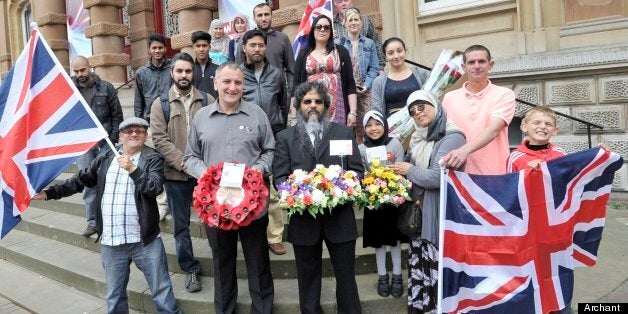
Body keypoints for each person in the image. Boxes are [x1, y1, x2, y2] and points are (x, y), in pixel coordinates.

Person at [32, 117, 180, 314]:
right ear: (120, 136)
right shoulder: (106, 156)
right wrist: (49, 193)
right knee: (114, 296)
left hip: (144, 240)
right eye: (129, 131)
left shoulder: (152, 158)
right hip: (112, 241)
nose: (134, 134)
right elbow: (80, 180)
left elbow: (153, 187)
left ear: (145, 136)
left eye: (140, 131)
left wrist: (133, 169)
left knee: (162, 292)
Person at [184, 62, 275, 314]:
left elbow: (270, 150)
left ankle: (263, 309)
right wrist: (207, 176)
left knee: (258, 263)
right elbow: (190, 157)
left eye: (237, 82)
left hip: (253, 207)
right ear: (215, 83)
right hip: (216, 208)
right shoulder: (201, 117)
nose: (232, 87)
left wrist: (258, 170)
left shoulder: (257, 114)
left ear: (243, 85)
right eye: (226, 82)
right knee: (222, 264)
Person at [273, 82, 363, 314]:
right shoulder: (285, 138)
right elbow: (280, 177)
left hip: (339, 217)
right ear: (298, 106)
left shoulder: (343, 132)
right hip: (304, 219)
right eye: (307, 101)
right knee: (307, 277)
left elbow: (358, 171)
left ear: (326, 106)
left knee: (346, 275)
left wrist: (343, 188)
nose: (313, 106)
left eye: (318, 102)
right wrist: (296, 192)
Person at [388, 90, 465, 314]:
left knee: (437, 267)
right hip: (420, 214)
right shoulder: (418, 137)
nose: (417, 112)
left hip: (440, 213)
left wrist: (409, 170)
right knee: (420, 263)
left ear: (435, 106)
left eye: (421, 106)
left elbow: (437, 177)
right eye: (412, 111)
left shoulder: (452, 137)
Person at [150, 52, 214, 293]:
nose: (184, 75)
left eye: (188, 71)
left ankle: (220, 259)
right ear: (172, 73)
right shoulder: (161, 104)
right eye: (180, 71)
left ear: (193, 73)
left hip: (205, 175)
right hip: (176, 175)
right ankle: (190, 269)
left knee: (213, 220)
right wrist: (184, 163)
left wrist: (200, 167)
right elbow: (159, 139)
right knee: (181, 226)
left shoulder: (207, 100)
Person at [240, 29, 289, 255]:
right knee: (249, 183)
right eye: (253, 45)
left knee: (273, 189)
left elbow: (284, 104)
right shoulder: (238, 74)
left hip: (275, 132)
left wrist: (278, 125)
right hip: (247, 135)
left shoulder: (276, 74)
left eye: (261, 45)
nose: (257, 49)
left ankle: (274, 235)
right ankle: (251, 233)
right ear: (244, 48)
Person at [440, 44, 516, 175]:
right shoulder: (449, 97)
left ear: (490, 64)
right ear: (464, 67)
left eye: (481, 61)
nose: (476, 66)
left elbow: (494, 129)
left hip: (495, 174)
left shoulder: (504, 94)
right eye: (471, 62)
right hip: (458, 174)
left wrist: (464, 150)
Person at [71, 56, 124, 237]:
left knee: (109, 182)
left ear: (90, 67)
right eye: (76, 71)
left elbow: (117, 116)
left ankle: (110, 220)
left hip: (105, 144)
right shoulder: (70, 90)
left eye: (82, 70)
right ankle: (92, 222)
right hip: (83, 145)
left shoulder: (106, 87)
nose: (80, 75)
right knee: (88, 183)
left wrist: (113, 139)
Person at [357, 110, 407, 298]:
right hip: (373, 201)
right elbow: (361, 172)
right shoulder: (362, 148)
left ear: (384, 125)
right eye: (369, 125)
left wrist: (392, 182)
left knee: (393, 240)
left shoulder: (394, 144)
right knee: (379, 241)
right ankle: (382, 277)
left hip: (393, 200)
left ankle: (396, 276)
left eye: (377, 123)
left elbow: (401, 167)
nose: (374, 128)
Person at [294, 15, 358, 127]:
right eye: (319, 27)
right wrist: (295, 116)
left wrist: (353, 112)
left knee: (337, 141)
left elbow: (350, 84)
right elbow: (295, 86)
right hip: (311, 107)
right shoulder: (303, 54)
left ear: (330, 31)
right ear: (313, 30)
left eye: (326, 27)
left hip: (338, 109)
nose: (323, 29)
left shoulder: (341, 51)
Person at [335, 7, 379, 143]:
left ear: (360, 22)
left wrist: (367, 85)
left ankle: (362, 157)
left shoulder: (369, 43)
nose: (353, 22)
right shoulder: (337, 44)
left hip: (364, 91)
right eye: (350, 20)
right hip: (345, 92)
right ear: (345, 23)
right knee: (346, 127)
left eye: (356, 19)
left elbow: (374, 68)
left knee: (364, 128)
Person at [236, 2, 295, 98]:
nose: (263, 18)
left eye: (266, 14)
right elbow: (238, 69)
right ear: (254, 18)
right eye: (259, 15)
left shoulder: (282, 38)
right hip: (250, 96)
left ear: (272, 16)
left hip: (277, 95)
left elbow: (291, 69)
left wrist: (290, 94)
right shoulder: (244, 39)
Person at [371, 37, 430, 118]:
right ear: (385, 57)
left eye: (399, 51)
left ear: (405, 51)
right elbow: (376, 111)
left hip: (420, 124)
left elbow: (431, 101)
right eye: (391, 53)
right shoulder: (378, 82)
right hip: (393, 128)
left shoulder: (421, 74)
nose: (396, 56)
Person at [507, 106, 565, 172]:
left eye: (548, 124)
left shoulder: (560, 153)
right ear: (525, 127)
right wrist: (527, 171)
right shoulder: (515, 157)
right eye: (536, 123)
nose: (543, 126)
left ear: (554, 130)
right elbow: (510, 181)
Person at [332, 0, 384, 68]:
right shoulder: (330, 24)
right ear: (335, 5)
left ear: (351, 2)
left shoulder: (365, 20)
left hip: (366, 71)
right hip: (342, 71)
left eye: (346, 0)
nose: (343, 4)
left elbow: (376, 42)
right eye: (340, 1)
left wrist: (380, 67)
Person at [134, 34, 172, 123]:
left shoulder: (173, 69)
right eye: (154, 48)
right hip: (150, 118)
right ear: (149, 49)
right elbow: (138, 99)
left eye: (160, 48)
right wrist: (139, 121)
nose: (157, 51)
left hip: (171, 116)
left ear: (165, 49)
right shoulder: (141, 72)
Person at [191, 30, 218, 98]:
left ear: (209, 47)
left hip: (214, 107)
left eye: (204, 46)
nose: (201, 49)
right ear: (193, 48)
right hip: (196, 107)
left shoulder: (218, 69)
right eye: (198, 46)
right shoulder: (189, 70)